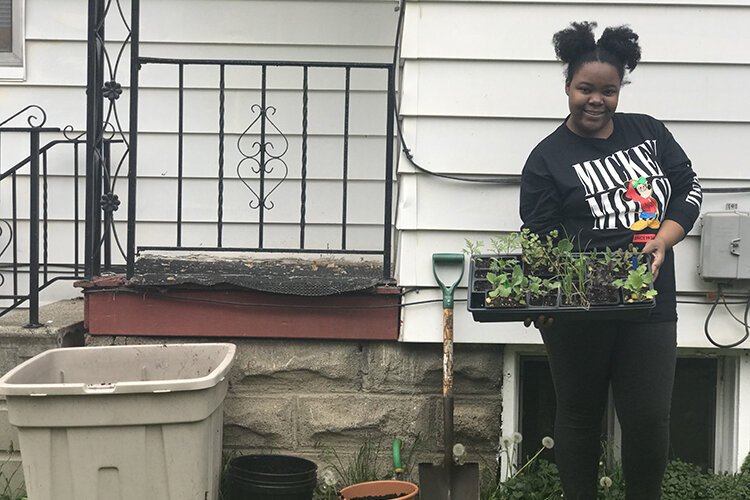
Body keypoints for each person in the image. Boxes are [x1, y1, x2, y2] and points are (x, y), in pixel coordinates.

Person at [519, 21, 702, 500]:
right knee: (579, 414)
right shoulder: (546, 159)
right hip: (580, 305)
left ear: (619, 91)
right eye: (585, 89)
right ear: (567, 89)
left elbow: (688, 189)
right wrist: (543, 296)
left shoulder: (649, 133)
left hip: (649, 301)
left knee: (647, 417)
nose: (596, 99)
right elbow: (540, 235)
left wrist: (664, 238)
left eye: (608, 89)